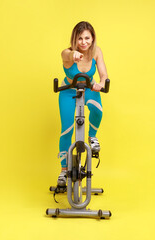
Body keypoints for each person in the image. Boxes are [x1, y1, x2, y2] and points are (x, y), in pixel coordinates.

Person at [57, 21, 108, 187]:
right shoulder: (68, 52)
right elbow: (65, 54)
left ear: (92, 38)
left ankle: (92, 137)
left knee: (97, 110)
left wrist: (100, 83)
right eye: (80, 39)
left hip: (89, 88)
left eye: (87, 38)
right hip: (69, 90)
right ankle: (64, 170)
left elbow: (103, 74)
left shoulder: (96, 52)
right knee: (67, 129)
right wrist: (73, 56)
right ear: (74, 39)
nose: (84, 42)